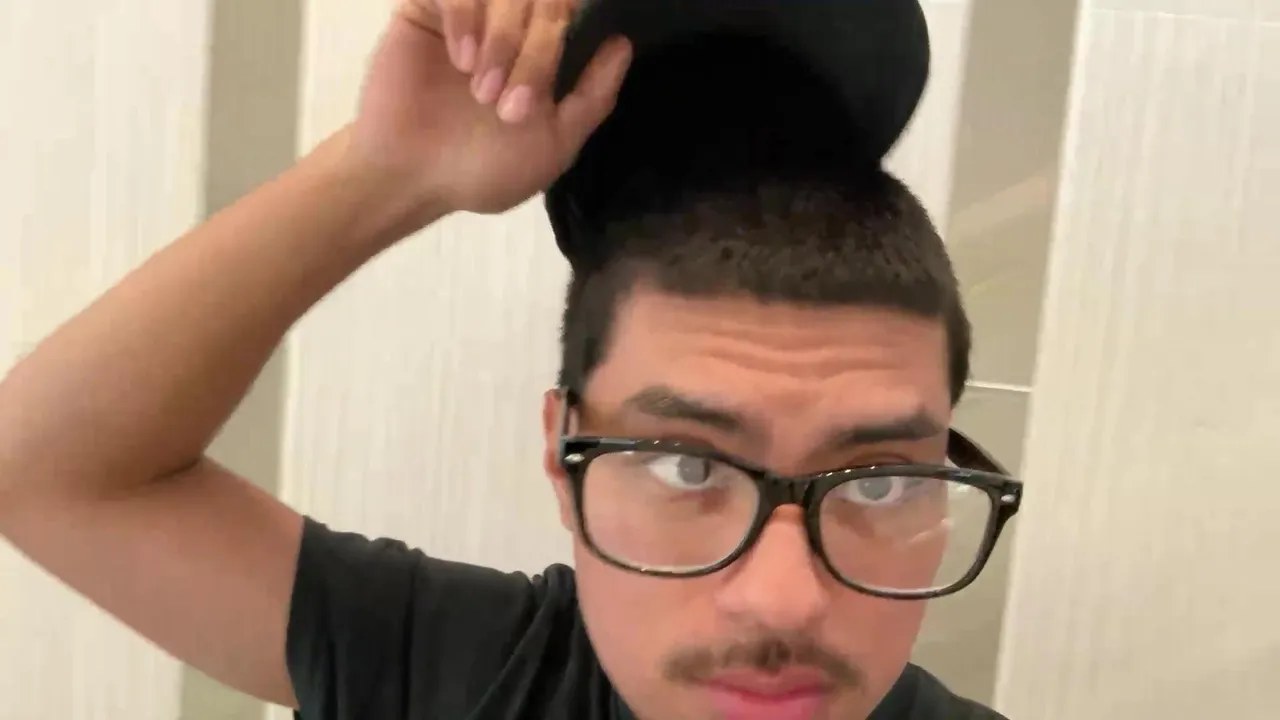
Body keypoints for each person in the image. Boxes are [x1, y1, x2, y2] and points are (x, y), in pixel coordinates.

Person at [0, 1, 1020, 718]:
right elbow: (46, 471)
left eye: (877, 482)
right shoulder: (463, 674)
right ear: (563, 457)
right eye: (687, 466)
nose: (784, 600)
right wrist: (385, 171)